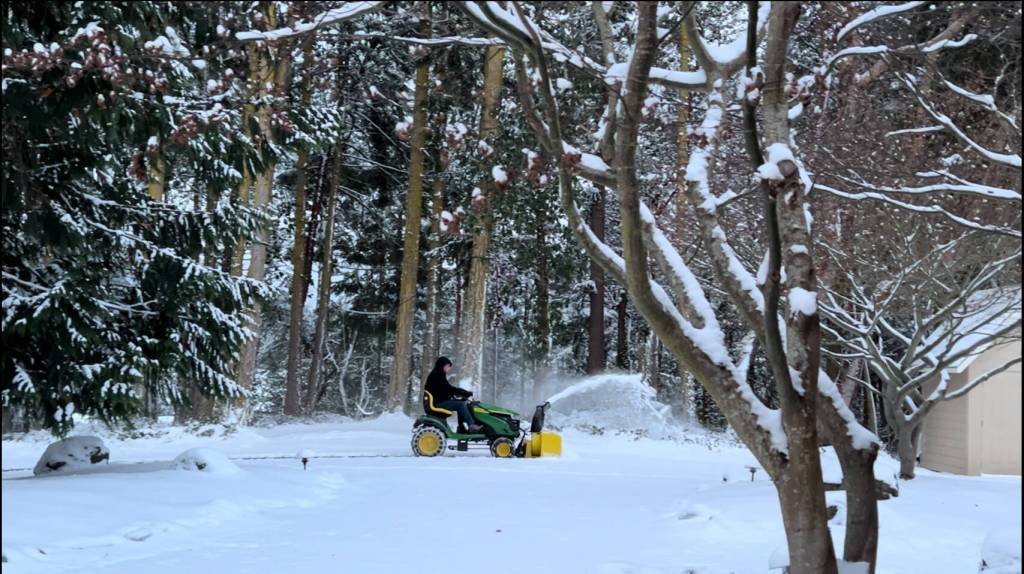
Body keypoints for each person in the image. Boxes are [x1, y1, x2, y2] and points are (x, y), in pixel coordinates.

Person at [424, 357, 483, 433]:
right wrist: (463, 392)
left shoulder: (437, 374)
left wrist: (457, 395)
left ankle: (461, 428)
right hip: (438, 403)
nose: (448, 369)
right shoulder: (437, 375)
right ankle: (471, 425)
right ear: (443, 365)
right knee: (461, 405)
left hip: (438, 401)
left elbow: (443, 390)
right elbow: (448, 389)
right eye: (448, 366)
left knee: (461, 403)